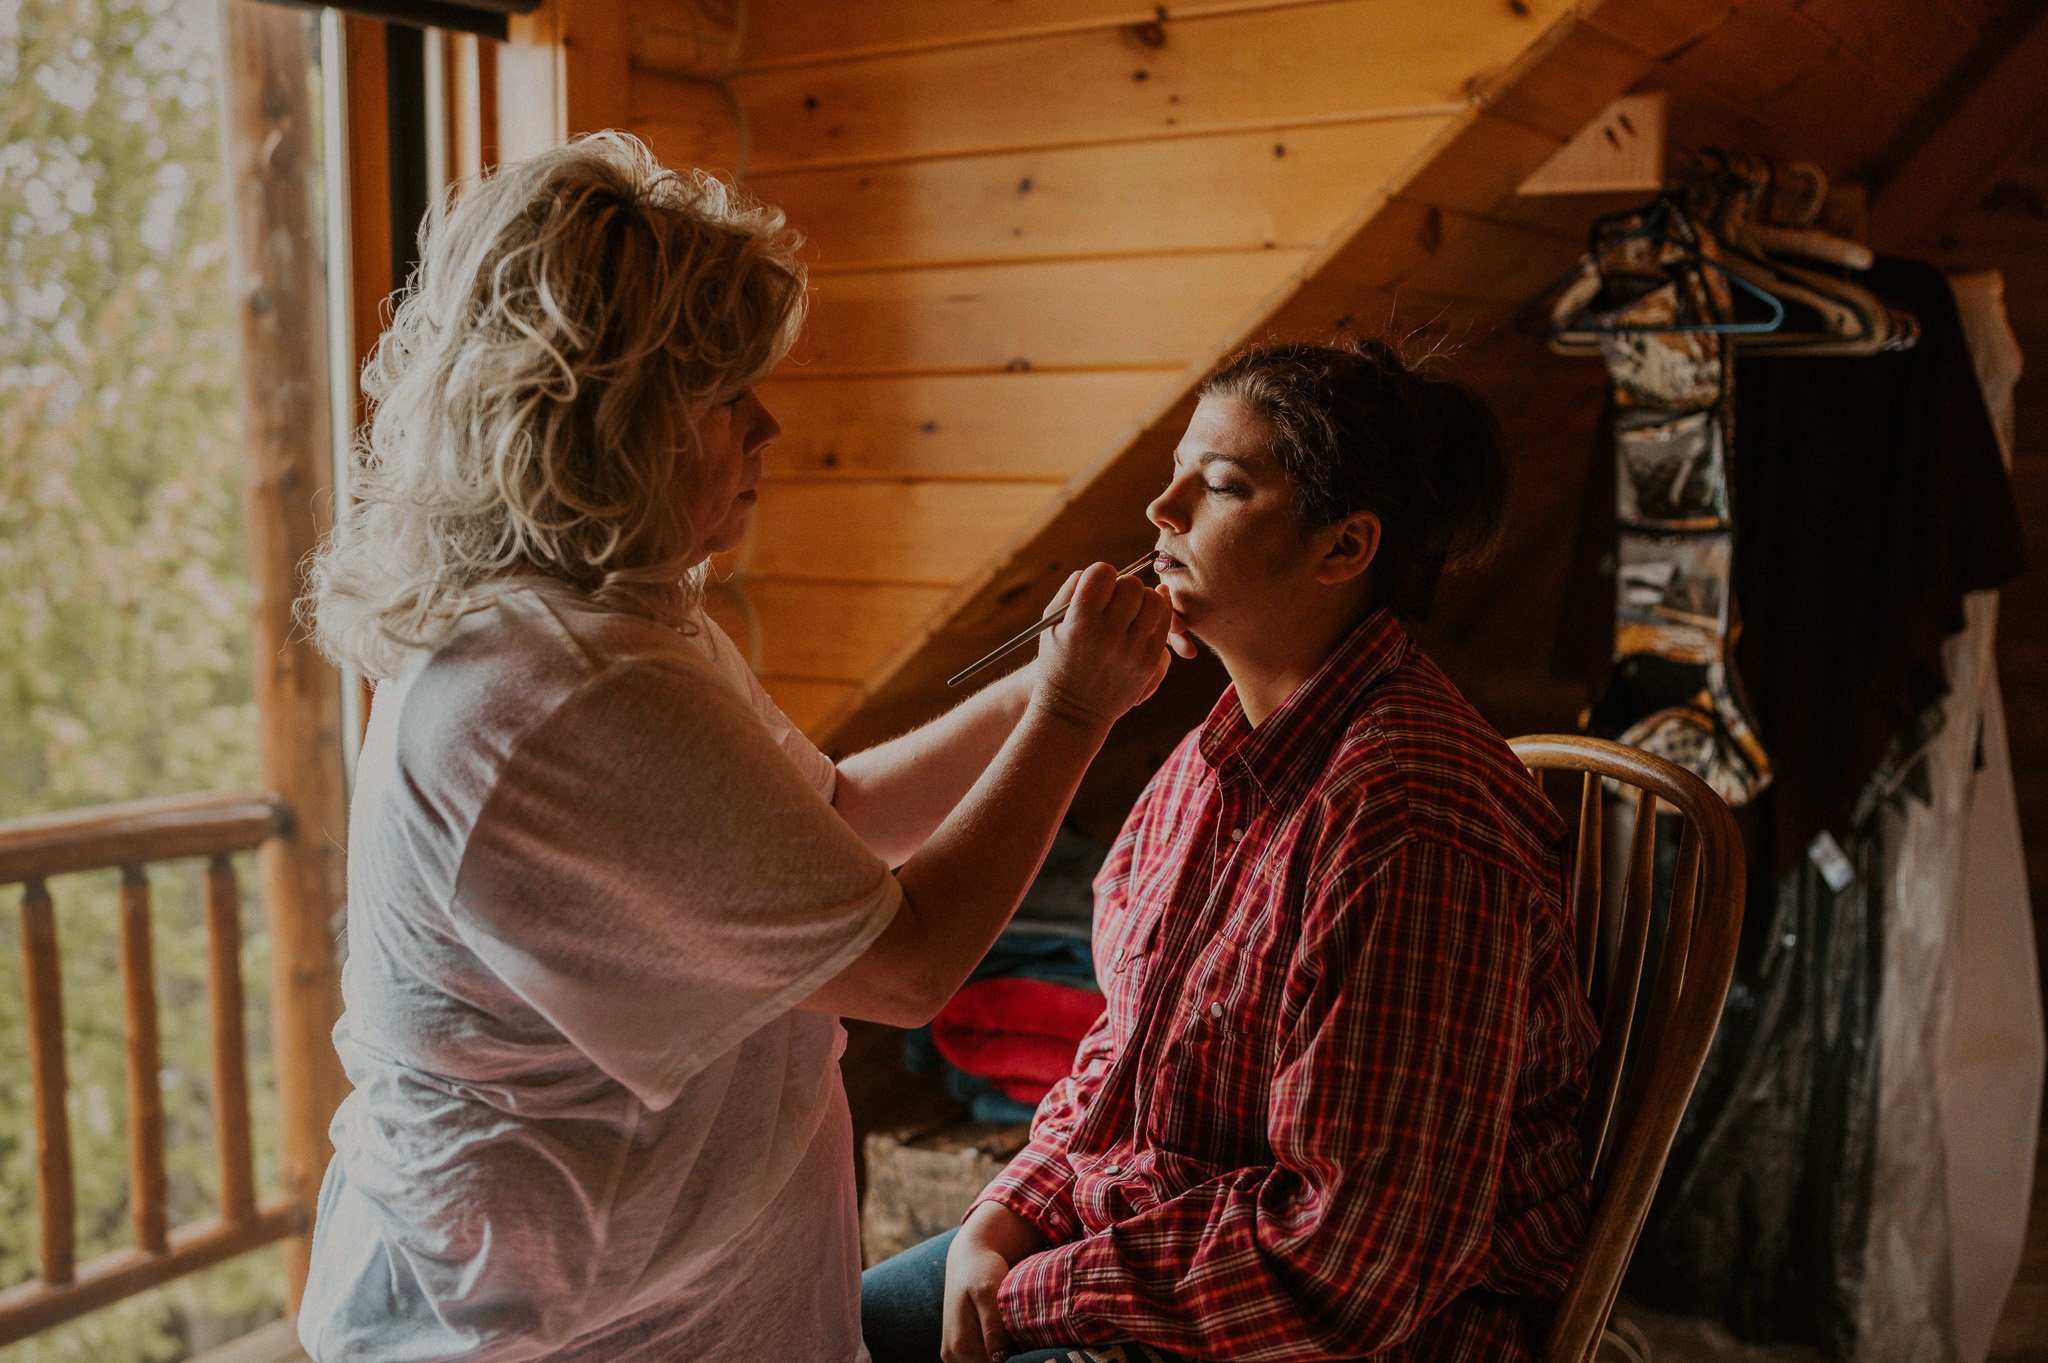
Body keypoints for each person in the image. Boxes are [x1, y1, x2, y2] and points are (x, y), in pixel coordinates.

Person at [294, 133, 1180, 1363]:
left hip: (675, 1298)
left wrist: (1052, 674)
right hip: (567, 1334)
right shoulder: (561, 691)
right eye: (722, 395)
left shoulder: (623, 613)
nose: (765, 423)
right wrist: (1073, 713)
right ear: (605, 421)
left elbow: (846, 810)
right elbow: (907, 964)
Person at [861, 340, 1599, 1363]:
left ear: (1343, 549)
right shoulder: (1210, 757)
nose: (1160, 511)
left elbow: (1352, 1258)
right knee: (806, 1324)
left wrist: (1041, 1293)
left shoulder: (1409, 820)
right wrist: (1004, 1216)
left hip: (1344, 1334)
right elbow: (1119, 1059)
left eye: (1216, 485)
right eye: (1173, 475)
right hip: (1157, 1246)